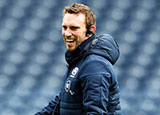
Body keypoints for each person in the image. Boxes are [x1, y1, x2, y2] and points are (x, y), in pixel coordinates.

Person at [35, 3, 121, 115]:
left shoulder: (94, 65)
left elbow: (95, 112)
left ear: (90, 30)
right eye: (64, 27)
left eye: (74, 28)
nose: (67, 33)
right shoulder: (79, 60)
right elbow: (59, 104)